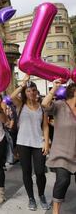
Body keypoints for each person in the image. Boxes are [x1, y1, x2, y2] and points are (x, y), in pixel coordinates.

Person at [10, 74, 51, 210]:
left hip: (38, 142)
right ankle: (31, 198)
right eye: (28, 91)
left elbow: (45, 126)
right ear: (25, 93)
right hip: (23, 143)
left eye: (33, 90)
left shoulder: (42, 106)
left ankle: (41, 195)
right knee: (26, 172)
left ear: (36, 92)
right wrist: (23, 83)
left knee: (40, 172)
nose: (31, 93)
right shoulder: (20, 104)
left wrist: (46, 143)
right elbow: (11, 97)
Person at [42, 81, 76, 214]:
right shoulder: (60, 106)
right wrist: (54, 87)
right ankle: (55, 211)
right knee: (63, 180)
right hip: (62, 153)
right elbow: (44, 104)